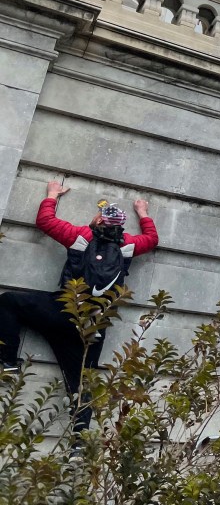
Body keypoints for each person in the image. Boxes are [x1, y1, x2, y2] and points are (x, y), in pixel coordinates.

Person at [0, 182, 158, 433]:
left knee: (8, 301)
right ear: (120, 226)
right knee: (83, 386)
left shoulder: (80, 236)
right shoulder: (128, 246)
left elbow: (45, 221)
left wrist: (52, 194)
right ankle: (77, 446)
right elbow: (152, 239)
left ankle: (8, 362)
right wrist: (143, 212)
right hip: (92, 326)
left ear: (97, 220)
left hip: (60, 311)